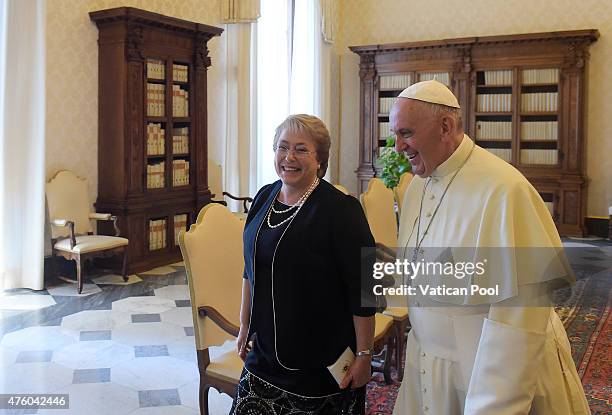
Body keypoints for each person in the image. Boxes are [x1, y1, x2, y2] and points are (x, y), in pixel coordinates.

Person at [389, 80, 590, 414]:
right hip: (430, 366)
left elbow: (519, 317)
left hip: (487, 374)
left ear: (445, 126)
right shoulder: (418, 188)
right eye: (394, 134)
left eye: (406, 133)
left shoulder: (504, 190)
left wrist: (493, 405)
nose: (397, 146)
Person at [230, 114, 376, 415]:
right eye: (282, 147)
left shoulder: (341, 210)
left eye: (301, 149)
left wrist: (364, 354)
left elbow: (364, 289)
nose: (289, 157)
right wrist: (244, 325)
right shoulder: (264, 197)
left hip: (318, 363)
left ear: (320, 160)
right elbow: (251, 269)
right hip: (264, 355)